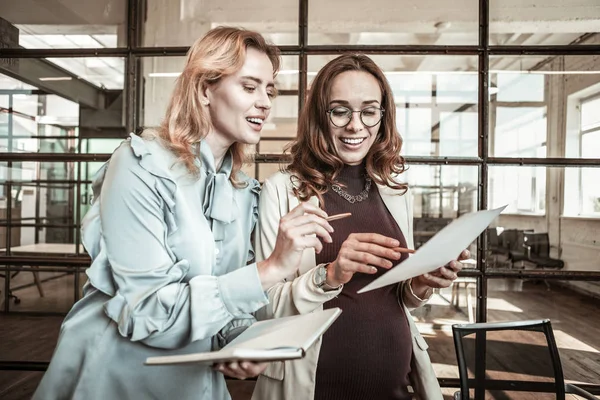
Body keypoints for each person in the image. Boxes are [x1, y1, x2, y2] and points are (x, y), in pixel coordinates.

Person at [33, 27, 335, 400]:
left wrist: (244, 343)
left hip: (194, 385)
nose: (265, 102)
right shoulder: (138, 166)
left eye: (269, 89)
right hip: (112, 380)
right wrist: (270, 268)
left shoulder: (241, 192)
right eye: (250, 86)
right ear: (205, 89)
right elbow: (146, 312)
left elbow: (226, 309)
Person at [252, 54, 470, 400]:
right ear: (318, 117)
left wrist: (421, 282)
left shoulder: (396, 192)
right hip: (313, 387)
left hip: (396, 386)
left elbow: (400, 299)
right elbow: (262, 308)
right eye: (340, 110)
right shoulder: (281, 192)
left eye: (369, 111)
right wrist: (331, 274)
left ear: (383, 117)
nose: (356, 126)